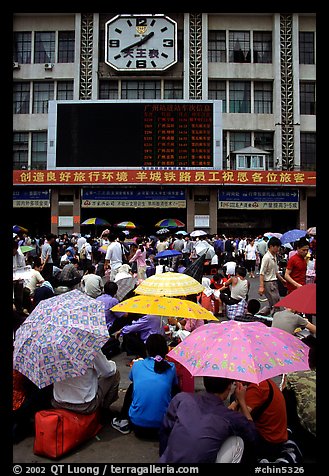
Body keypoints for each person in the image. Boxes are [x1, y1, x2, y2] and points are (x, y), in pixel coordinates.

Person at [158, 377, 258, 463]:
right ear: (229, 387)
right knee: (238, 441)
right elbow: (253, 435)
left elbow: (165, 431)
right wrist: (242, 401)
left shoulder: (182, 398)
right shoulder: (230, 417)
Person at [111, 334, 178, 438]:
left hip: (138, 425)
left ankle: (123, 420)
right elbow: (174, 386)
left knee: (133, 387)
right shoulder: (171, 367)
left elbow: (133, 380)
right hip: (163, 427)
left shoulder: (137, 365)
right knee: (173, 388)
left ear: (147, 349)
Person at [51, 349, 120, 416]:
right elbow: (109, 371)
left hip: (59, 403)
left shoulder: (52, 351)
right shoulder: (90, 347)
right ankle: (105, 411)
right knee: (115, 374)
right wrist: (111, 364)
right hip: (85, 406)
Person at [244, 377, 290, 462]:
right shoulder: (264, 382)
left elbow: (241, 420)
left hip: (269, 442)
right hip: (279, 435)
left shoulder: (255, 388)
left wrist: (239, 399)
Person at [258, 236, 287, 316]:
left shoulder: (274, 256)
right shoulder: (266, 257)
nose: (278, 249)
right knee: (276, 303)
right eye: (277, 247)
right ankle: (273, 319)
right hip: (269, 283)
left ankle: (261, 315)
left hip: (274, 282)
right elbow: (261, 273)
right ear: (271, 246)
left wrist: (282, 280)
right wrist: (261, 286)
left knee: (273, 303)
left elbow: (275, 271)